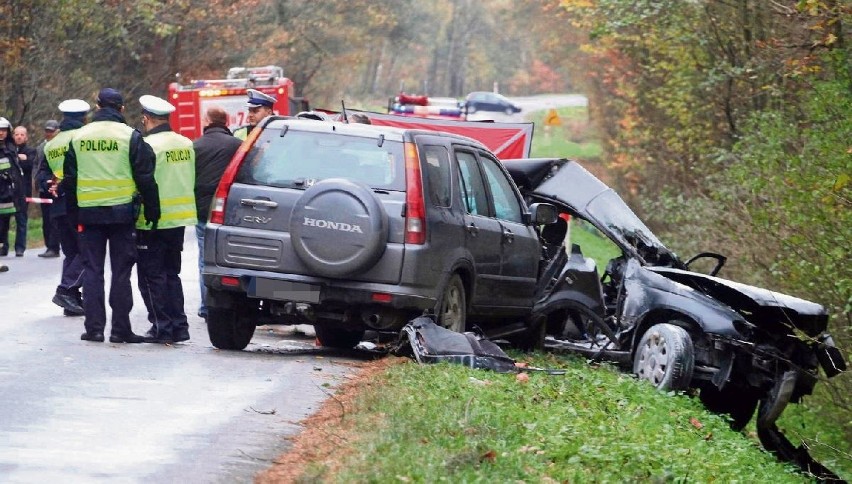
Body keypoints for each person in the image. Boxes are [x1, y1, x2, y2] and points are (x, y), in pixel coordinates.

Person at [62, 88, 160, 343]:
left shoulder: (79, 137)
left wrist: (73, 215)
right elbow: (145, 177)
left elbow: (69, 181)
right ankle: (120, 330)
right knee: (121, 272)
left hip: (88, 215)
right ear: (122, 109)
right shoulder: (130, 136)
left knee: (92, 271)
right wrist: (152, 209)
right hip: (121, 215)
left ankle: (94, 329)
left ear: (96, 107)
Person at [136, 95, 197, 344]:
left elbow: (142, 181)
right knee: (172, 273)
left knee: (151, 276)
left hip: (152, 219)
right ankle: (179, 326)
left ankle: (161, 326)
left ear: (146, 118)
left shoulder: (147, 145)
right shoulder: (186, 143)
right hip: (179, 218)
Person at [38, 100, 91, 316]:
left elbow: (41, 175)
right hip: (79, 203)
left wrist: (48, 185)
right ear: (84, 117)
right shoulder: (84, 138)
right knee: (87, 252)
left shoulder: (50, 143)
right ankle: (66, 290)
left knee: (71, 254)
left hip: (58, 205)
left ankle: (72, 302)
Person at [193, 106, 241, 318]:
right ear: (227, 122)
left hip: (204, 212)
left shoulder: (195, 146)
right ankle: (234, 305)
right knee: (233, 259)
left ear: (207, 121)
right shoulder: (238, 146)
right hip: (233, 213)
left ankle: (206, 307)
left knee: (205, 259)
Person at [34, 120, 61, 257]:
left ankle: (54, 246)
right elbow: (37, 166)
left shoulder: (61, 146)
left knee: (54, 219)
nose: (49, 133)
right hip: (44, 187)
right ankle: (48, 245)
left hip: (58, 186)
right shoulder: (41, 147)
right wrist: (38, 181)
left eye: (51, 131)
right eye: (47, 130)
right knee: (46, 219)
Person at [11, 126, 37, 256]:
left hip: (23, 191)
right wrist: (18, 158)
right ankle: (3, 247)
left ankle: (20, 248)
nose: (19, 137)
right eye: (17, 134)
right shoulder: (8, 150)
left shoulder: (31, 151)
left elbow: (30, 165)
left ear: (26, 137)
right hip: (8, 191)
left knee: (21, 219)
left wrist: (21, 160)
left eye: (22, 134)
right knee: (3, 221)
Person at [0, 117, 23, 257]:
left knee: (5, 222)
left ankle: (3, 247)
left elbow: (16, 172)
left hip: (8, 193)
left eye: (3, 130)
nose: (1, 133)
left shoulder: (11, 148)